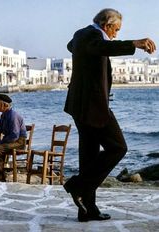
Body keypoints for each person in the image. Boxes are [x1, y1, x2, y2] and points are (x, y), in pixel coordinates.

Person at [63, 8, 156, 222]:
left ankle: (87, 211)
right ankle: (76, 185)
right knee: (118, 147)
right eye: (116, 30)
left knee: (89, 156)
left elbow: (72, 46)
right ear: (106, 26)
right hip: (92, 105)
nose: (116, 34)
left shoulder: (81, 36)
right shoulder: (91, 36)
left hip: (81, 105)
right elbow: (101, 46)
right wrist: (134, 43)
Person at [0, 94, 27, 181]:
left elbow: (14, 135)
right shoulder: (4, 115)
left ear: (4, 105)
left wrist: (1, 142)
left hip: (18, 142)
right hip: (11, 141)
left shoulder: (13, 115)